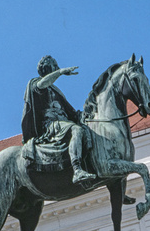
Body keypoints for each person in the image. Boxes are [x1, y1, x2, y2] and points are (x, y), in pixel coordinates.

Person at [21, 55, 95, 184]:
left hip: (63, 122)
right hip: (50, 125)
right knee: (76, 130)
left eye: (57, 66)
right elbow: (42, 84)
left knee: (87, 129)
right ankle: (77, 170)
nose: (57, 67)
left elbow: (71, 112)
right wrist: (60, 73)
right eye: (54, 65)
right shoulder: (35, 83)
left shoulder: (55, 90)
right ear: (47, 68)